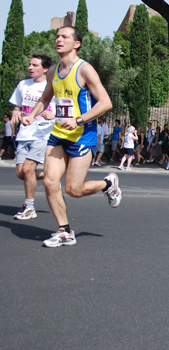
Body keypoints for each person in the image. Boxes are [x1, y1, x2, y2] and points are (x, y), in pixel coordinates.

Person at [21, 26, 121, 247]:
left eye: (65, 36)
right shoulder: (53, 71)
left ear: (76, 44)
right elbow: (46, 98)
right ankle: (64, 231)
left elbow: (106, 103)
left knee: (73, 190)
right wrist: (31, 115)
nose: (59, 39)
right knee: (49, 181)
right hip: (58, 134)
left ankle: (107, 184)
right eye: (57, 36)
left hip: (81, 136)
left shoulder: (84, 70)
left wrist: (79, 119)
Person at [9, 54, 55, 220]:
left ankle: (29, 207)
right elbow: (17, 106)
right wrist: (15, 112)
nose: (30, 67)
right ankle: (50, 174)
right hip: (24, 133)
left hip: (42, 134)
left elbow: (66, 110)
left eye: (35, 65)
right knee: (21, 173)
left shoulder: (52, 87)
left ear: (44, 69)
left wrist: (54, 115)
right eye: (30, 64)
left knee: (28, 169)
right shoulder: (23, 84)